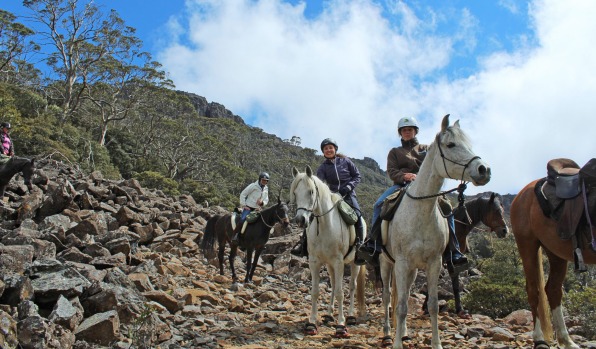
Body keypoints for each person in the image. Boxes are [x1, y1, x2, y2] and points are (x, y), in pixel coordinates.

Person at [356, 116, 467, 267]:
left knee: (447, 208)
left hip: (426, 188)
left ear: (415, 131)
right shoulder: (394, 152)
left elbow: (436, 165)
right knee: (379, 204)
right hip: (401, 186)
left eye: (410, 130)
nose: (407, 132)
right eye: (404, 130)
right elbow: (391, 171)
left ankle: (453, 251)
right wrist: (404, 176)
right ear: (400, 133)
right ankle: (373, 244)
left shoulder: (426, 149)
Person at [291, 138, 366, 263]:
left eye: (330, 148)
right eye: (326, 149)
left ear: (335, 149)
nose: (328, 150)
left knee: (357, 215)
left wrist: (347, 187)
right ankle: (303, 245)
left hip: (348, 195)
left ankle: (360, 246)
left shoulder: (346, 161)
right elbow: (318, 184)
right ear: (323, 152)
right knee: (312, 216)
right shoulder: (322, 168)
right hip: (331, 197)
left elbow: (357, 176)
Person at [231, 172, 270, 242]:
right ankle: (236, 236)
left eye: (266, 180)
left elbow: (266, 199)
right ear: (260, 180)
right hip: (248, 207)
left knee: (263, 222)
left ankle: (260, 239)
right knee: (242, 220)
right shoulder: (253, 186)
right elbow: (243, 194)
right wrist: (244, 205)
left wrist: (262, 203)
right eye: (263, 180)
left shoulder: (266, 189)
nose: (264, 182)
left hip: (257, 209)